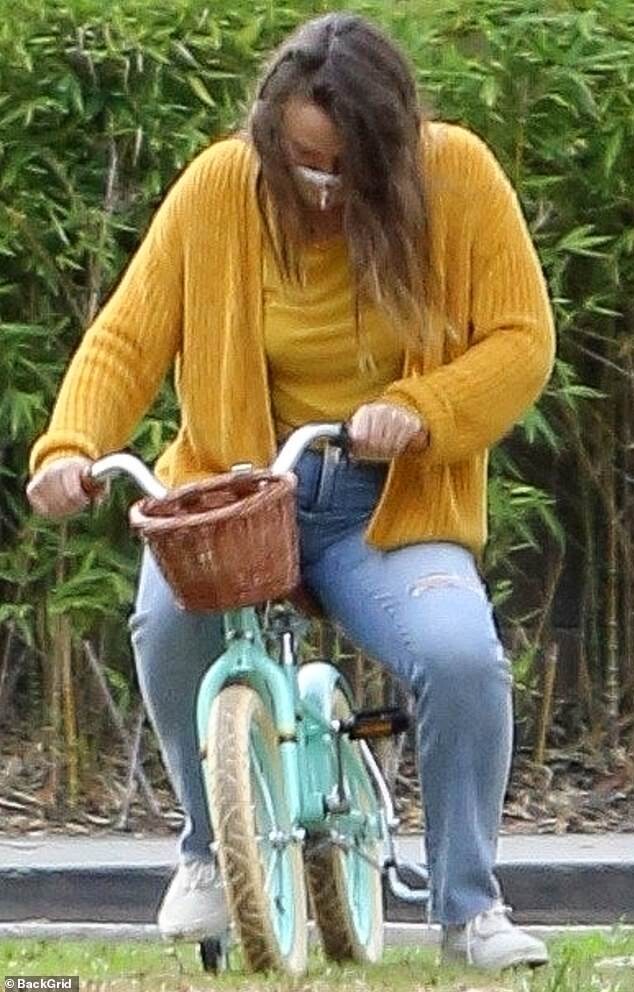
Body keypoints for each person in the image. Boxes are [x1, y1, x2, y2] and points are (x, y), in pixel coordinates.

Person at [27, 12, 555, 972]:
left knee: (461, 659)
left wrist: (421, 408)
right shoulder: (218, 188)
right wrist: (70, 447)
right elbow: (126, 338)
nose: (322, 187)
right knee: (165, 623)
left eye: (347, 169)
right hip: (236, 497)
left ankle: (470, 908)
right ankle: (207, 849)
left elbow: (522, 341)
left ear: (391, 150)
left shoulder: (459, 178)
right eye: (303, 162)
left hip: (387, 505)